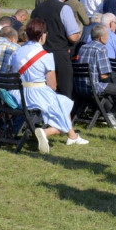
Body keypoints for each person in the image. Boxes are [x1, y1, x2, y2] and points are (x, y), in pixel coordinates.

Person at [10, 18, 88, 152]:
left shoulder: (16, 52)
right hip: (36, 94)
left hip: (18, 94)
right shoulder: (46, 56)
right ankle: (47, 132)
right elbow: (52, 85)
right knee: (64, 103)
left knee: (62, 102)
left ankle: (73, 136)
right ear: (42, 35)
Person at [75, 24, 116, 129]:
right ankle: (114, 115)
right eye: (107, 36)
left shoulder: (83, 47)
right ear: (102, 38)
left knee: (113, 90)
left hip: (80, 87)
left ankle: (113, 114)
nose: (108, 38)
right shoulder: (101, 49)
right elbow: (104, 75)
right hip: (94, 87)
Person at [31, 0, 81, 98]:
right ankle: (64, 115)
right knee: (64, 93)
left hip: (40, 54)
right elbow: (73, 37)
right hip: (59, 54)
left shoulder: (37, 10)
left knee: (44, 92)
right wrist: (78, 34)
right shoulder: (64, 8)